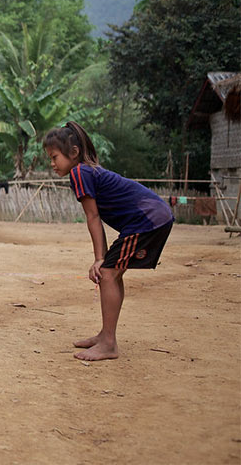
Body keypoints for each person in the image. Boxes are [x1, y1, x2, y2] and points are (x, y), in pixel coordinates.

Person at [43, 122, 174, 361]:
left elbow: (93, 217)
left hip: (148, 219)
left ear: (73, 153)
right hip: (150, 217)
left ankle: (109, 343)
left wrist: (99, 259)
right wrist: (101, 258)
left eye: (54, 157)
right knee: (111, 272)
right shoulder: (86, 171)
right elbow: (97, 217)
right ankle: (106, 335)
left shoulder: (79, 172)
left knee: (108, 272)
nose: (52, 164)